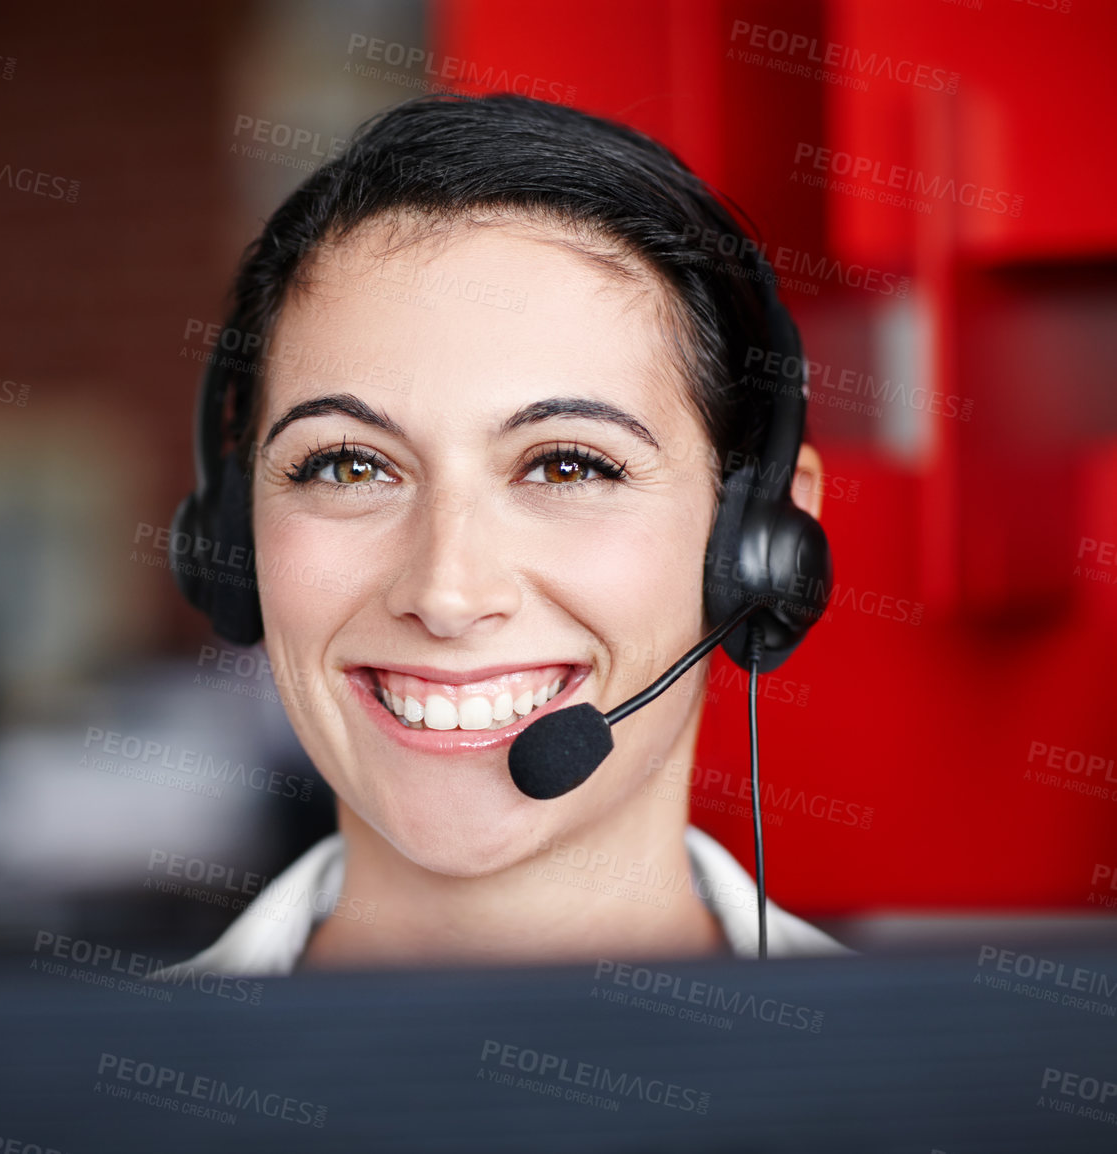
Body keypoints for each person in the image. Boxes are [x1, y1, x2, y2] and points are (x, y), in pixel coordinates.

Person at [167, 93, 849, 976]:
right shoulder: (74, 1106)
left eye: (567, 466)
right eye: (348, 466)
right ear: (231, 533)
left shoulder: (950, 1103)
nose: (447, 593)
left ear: (760, 544)